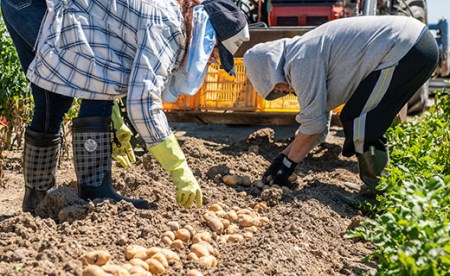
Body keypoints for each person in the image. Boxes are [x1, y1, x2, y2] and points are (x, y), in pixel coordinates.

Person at [2, 0, 249, 213]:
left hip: (27, 5)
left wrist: (115, 118)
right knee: (62, 98)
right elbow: (143, 101)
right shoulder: (169, 26)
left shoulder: (171, 16)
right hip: (39, 7)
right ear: (208, 36)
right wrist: (178, 167)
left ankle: (40, 198)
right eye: (217, 52)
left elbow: (110, 59)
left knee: (51, 101)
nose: (215, 60)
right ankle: (94, 190)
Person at [243, 15, 438, 206]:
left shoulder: (300, 59)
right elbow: (317, 127)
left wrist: (286, 165)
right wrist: (284, 158)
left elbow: (313, 126)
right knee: (358, 115)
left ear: (270, 67)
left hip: (407, 47)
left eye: (277, 88)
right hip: (413, 45)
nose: (283, 91)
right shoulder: (303, 51)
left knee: (361, 119)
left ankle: (375, 196)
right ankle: (375, 188)